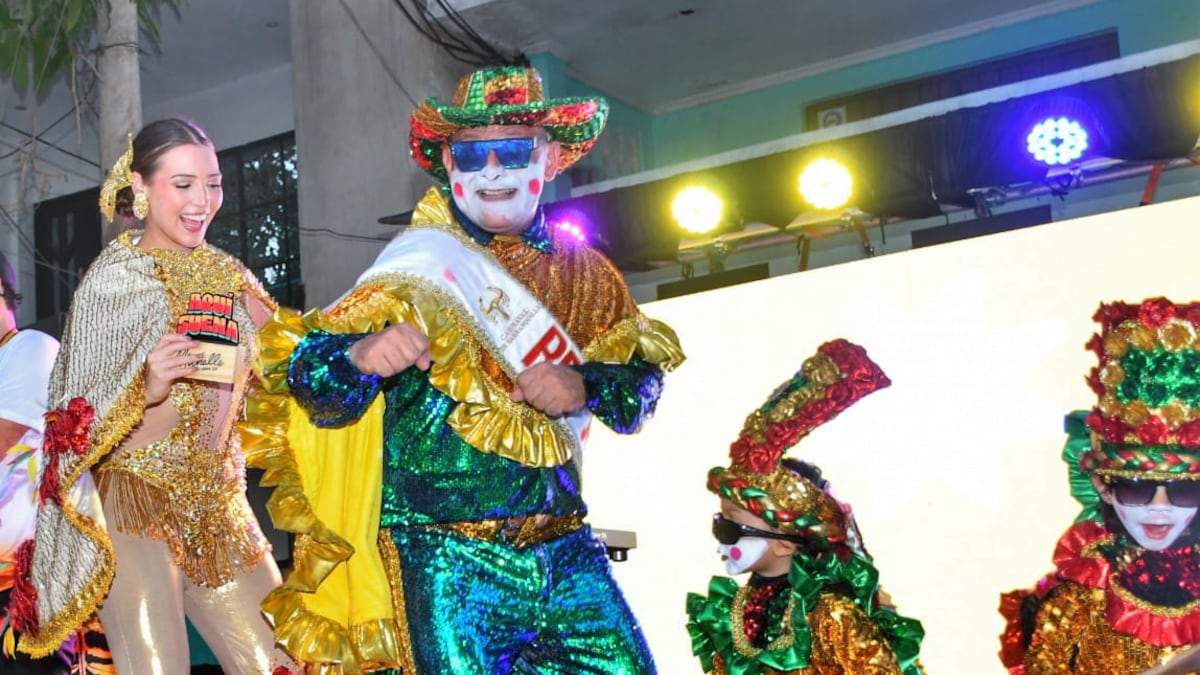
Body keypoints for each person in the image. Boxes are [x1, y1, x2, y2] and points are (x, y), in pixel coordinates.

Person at [242, 64, 685, 673]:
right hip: (445, 556)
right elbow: (307, 380)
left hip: (566, 548)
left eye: (513, 150)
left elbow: (641, 392)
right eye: (473, 154)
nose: (493, 171)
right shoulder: (415, 268)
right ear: (448, 163)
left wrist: (586, 383)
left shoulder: (590, 276)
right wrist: (359, 356)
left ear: (551, 156)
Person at [9, 118, 297, 674]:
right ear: (141, 187)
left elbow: (295, 352)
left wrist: (369, 342)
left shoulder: (229, 277)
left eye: (213, 183)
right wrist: (144, 386)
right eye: (183, 184)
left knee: (285, 663)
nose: (202, 201)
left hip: (218, 506)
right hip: (133, 505)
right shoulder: (113, 282)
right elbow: (70, 426)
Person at [686, 339, 925, 675]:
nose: (720, 543)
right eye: (718, 524)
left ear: (785, 543)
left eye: (730, 527)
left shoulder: (829, 614)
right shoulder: (734, 611)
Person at [999, 298, 1200, 674]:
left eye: (1183, 490)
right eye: (1136, 488)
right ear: (1103, 487)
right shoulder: (1078, 600)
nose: (1160, 507)